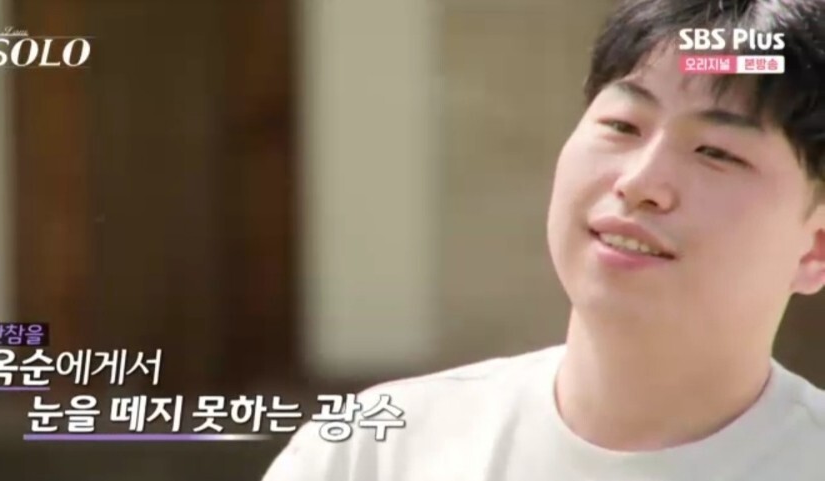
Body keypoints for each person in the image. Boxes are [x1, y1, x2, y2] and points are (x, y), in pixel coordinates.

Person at [262, 0, 825, 479]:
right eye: (623, 125)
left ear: (815, 247)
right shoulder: (372, 450)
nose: (639, 182)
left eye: (716, 153)